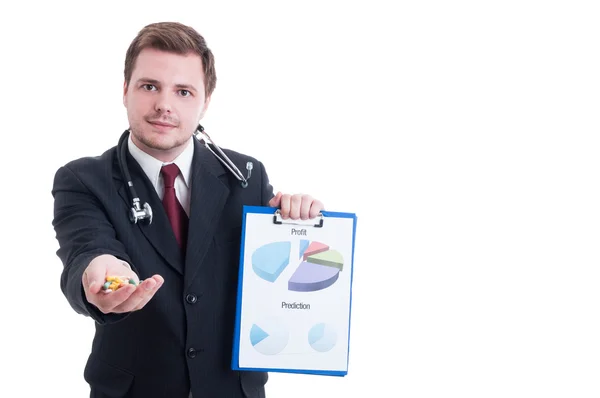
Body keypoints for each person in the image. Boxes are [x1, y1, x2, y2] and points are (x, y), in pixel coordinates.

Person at [51, 21, 324, 398]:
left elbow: (276, 276)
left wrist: (302, 224)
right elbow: (87, 249)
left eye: (183, 91)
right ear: (125, 90)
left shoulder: (247, 177)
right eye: (150, 86)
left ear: (205, 102)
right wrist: (102, 277)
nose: (164, 104)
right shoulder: (83, 179)